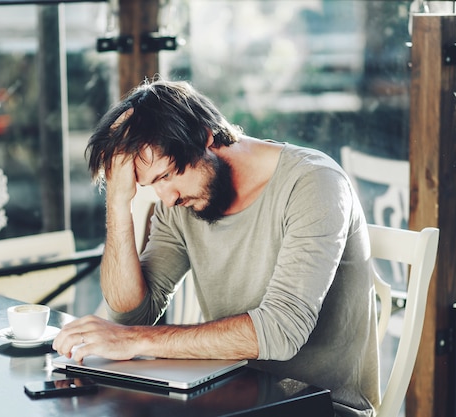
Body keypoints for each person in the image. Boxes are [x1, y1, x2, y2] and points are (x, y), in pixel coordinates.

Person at [52, 79, 379, 417]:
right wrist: (119, 204)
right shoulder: (179, 204)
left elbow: (281, 332)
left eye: (165, 176)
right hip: (232, 396)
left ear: (205, 136)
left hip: (323, 407)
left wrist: (136, 339)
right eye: (150, 185)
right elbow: (131, 314)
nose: (166, 198)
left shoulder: (314, 184)